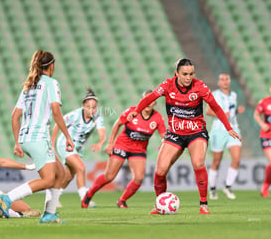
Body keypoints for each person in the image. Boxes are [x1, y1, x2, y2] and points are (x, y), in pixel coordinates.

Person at [126, 58, 241, 215]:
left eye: (191, 74)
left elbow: (215, 107)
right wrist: (136, 110)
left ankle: (203, 204)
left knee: (198, 162)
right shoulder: (167, 85)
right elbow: (150, 98)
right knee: (160, 170)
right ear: (177, 73)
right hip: (175, 134)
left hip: (196, 132)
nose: (189, 77)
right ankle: (160, 205)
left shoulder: (200, 87)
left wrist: (228, 128)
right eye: (185, 74)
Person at [0, 50, 74, 223]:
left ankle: (49, 214)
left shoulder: (28, 85)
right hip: (39, 137)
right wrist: (68, 137)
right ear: (51, 66)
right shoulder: (51, 83)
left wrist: (17, 143)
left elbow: (14, 116)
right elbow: (56, 111)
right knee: (48, 180)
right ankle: (6, 199)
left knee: (60, 174)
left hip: (25, 137)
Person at [82, 90, 166, 209]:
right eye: (145, 100)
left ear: (155, 103)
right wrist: (110, 144)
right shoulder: (132, 111)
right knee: (109, 176)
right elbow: (117, 124)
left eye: (151, 100)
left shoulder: (157, 118)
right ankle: (89, 195)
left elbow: (164, 136)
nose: (148, 103)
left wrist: (163, 145)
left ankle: (122, 200)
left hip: (138, 150)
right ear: (141, 101)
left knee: (139, 178)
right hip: (122, 145)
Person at [49, 87, 106, 207]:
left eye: (94, 107)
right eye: (89, 107)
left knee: (69, 176)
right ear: (83, 106)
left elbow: (102, 133)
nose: (92, 110)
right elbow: (58, 124)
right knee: (81, 167)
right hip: (65, 144)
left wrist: (100, 142)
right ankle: (85, 199)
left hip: (78, 148)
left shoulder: (98, 118)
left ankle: (53, 198)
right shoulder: (75, 115)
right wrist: (52, 144)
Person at [206, 73, 245, 200]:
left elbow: (231, 113)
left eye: (227, 79)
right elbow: (208, 111)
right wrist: (222, 114)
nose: (224, 81)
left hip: (234, 129)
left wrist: (237, 112)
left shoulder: (233, 95)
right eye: (222, 79)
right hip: (219, 130)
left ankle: (228, 187)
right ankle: (212, 189)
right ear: (218, 82)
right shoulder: (215, 94)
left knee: (237, 158)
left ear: (229, 81)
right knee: (216, 161)